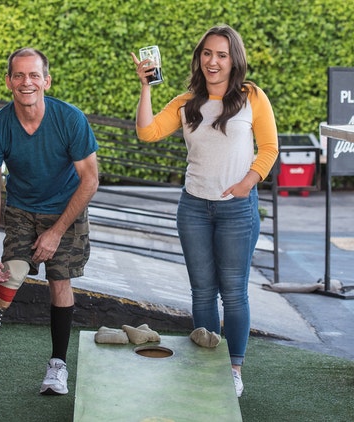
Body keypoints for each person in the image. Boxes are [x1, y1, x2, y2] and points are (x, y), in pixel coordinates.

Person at [131, 25, 279, 397]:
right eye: (207, 53)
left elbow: (269, 149)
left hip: (237, 209)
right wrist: (146, 87)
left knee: (234, 293)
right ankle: (206, 363)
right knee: (201, 292)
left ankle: (232, 369)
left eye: (222, 55)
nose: (213, 61)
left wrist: (248, 182)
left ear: (234, 60)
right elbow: (147, 132)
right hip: (194, 208)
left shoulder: (252, 97)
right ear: (199, 58)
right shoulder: (185, 102)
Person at [0, 47, 99, 395]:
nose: (26, 82)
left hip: (65, 207)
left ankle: (57, 366)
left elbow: (90, 180)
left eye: (33, 75)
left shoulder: (70, 119)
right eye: (18, 75)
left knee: (60, 280)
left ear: (46, 80)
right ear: (9, 81)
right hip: (22, 207)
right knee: (11, 272)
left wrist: (56, 232)